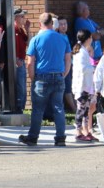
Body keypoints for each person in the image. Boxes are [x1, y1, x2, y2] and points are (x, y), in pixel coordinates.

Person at [18, 12, 72, 147]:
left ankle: (33, 137)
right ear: (52, 24)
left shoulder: (36, 39)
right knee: (58, 108)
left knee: (38, 109)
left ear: (40, 23)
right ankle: (60, 138)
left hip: (41, 77)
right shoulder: (62, 39)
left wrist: (32, 77)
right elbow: (68, 59)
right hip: (58, 76)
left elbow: (30, 62)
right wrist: (64, 74)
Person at [71, 29, 96, 142]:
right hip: (81, 86)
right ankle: (78, 131)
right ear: (88, 38)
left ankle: (86, 130)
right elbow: (82, 68)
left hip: (87, 85)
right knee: (81, 109)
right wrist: (94, 68)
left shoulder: (84, 51)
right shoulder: (81, 52)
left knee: (86, 110)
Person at [56, 16, 76, 114]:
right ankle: (74, 109)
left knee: (72, 86)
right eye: (61, 24)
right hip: (63, 65)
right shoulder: (56, 37)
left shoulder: (70, 36)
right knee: (67, 87)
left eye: (65, 24)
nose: (64, 26)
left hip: (73, 64)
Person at [12, 7, 31, 112]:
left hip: (21, 60)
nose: (24, 19)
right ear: (15, 18)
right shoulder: (12, 30)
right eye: (22, 16)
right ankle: (18, 107)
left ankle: (21, 108)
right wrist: (15, 59)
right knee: (20, 87)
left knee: (22, 86)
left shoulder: (20, 30)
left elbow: (29, 43)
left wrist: (27, 29)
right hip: (16, 61)